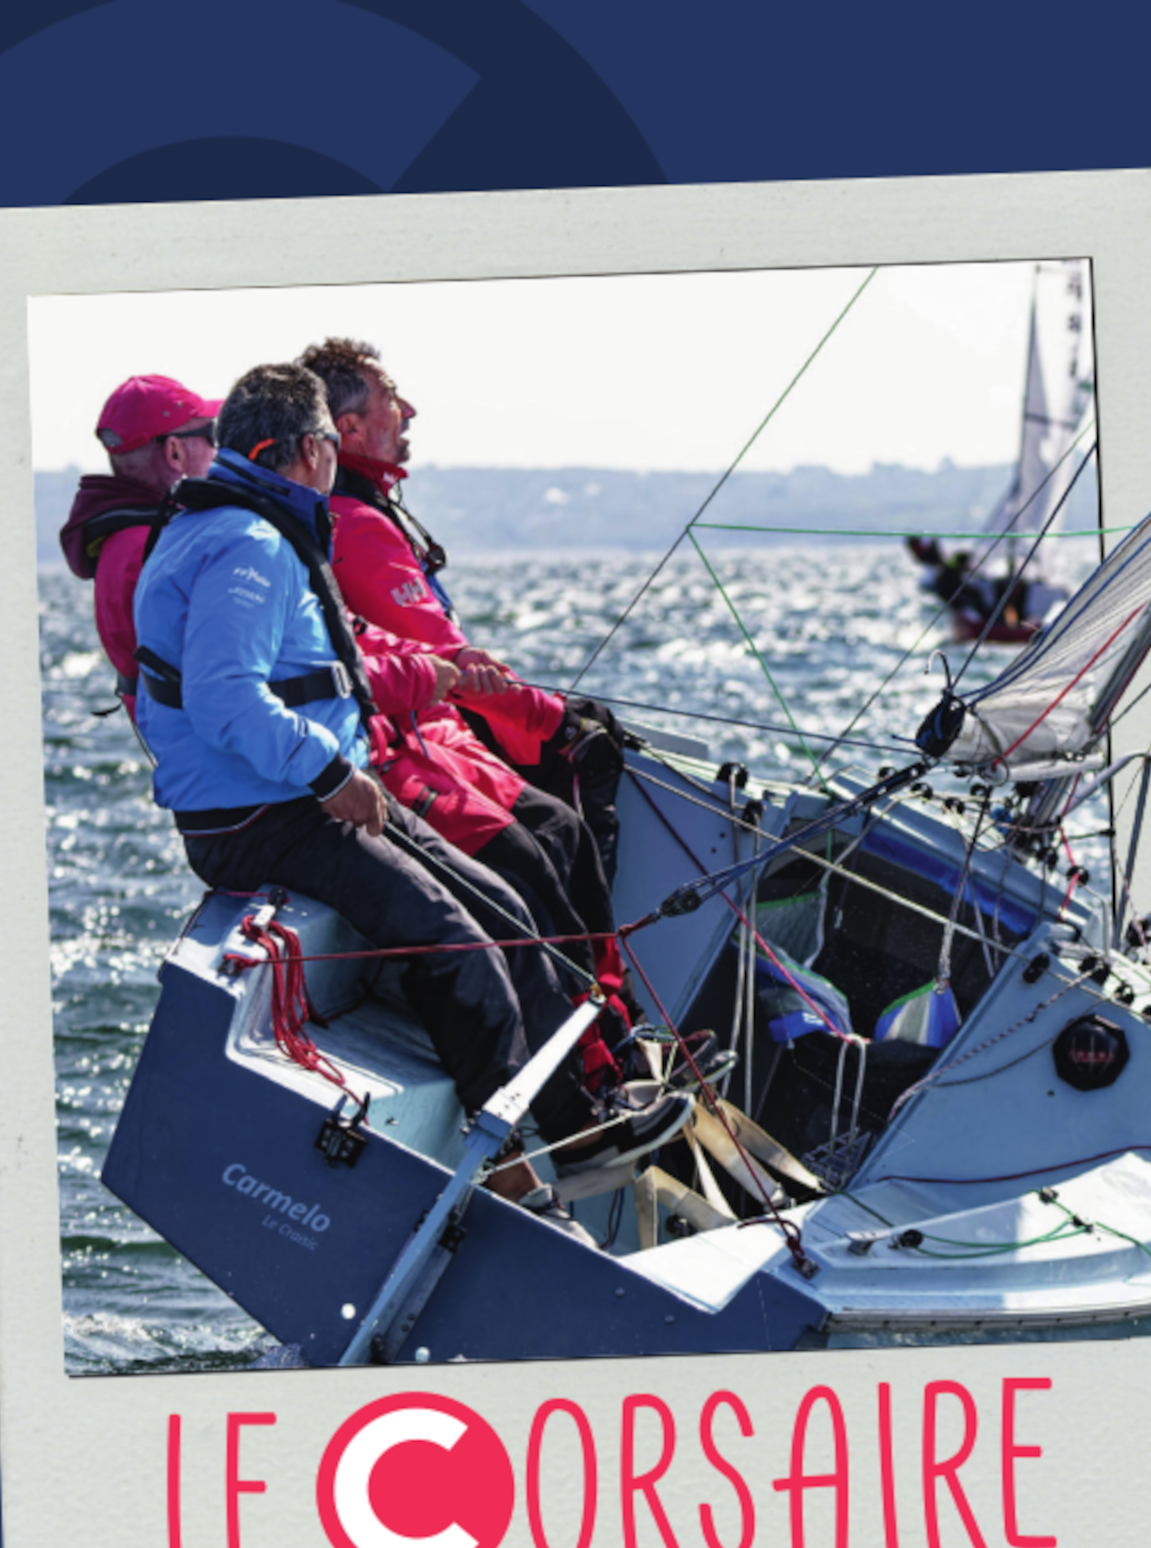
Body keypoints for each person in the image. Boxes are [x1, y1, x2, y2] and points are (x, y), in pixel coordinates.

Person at [131, 361, 690, 1235]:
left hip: (296, 793)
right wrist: (332, 775)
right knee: (457, 942)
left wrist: (429, 674)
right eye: (326, 441)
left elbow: (326, 663)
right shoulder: (248, 543)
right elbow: (223, 697)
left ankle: (575, 1126)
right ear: (306, 450)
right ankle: (513, 1176)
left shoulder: (251, 525)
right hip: (265, 814)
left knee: (505, 908)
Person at [299, 335, 642, 1078]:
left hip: (431, 734)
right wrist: (551, 718)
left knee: (562, 832)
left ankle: (616, 1031)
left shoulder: (359, 512)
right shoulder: (355, 525)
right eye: (392, 399)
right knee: (550, 833)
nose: (410, 410)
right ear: (348, 428)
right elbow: (444, 660)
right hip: (408, 747)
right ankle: (596, 1061)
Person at [59, 374, 220, 720]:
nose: (217, 448)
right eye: (211, 435)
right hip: (203, 738)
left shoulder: (125, 538)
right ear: (175, 452)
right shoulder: (158, 547)